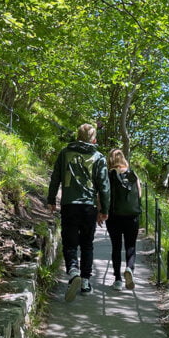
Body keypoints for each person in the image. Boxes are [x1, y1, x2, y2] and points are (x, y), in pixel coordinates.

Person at [47, 123, 110, 302]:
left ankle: (73, 271)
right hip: (89, 206)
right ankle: (85, 282)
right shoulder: (98, 157)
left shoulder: (65, 153)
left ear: (77, 136)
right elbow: (104, 187)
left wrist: (51, 199)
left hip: (69, 205)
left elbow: (56, 177)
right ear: (94, 139)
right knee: (87, 244)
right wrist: (104, 210)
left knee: (70, 243)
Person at [106, 148, 141, 291]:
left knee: (116, 247)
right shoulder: (133, 175)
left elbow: (103, 194)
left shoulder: (109, 175)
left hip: (114, 216)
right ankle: (129, 268)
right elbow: (139, 195)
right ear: (123, 159)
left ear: (110, 160)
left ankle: (118, 280)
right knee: (130, 246)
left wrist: (101, 212)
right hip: (132, 216)